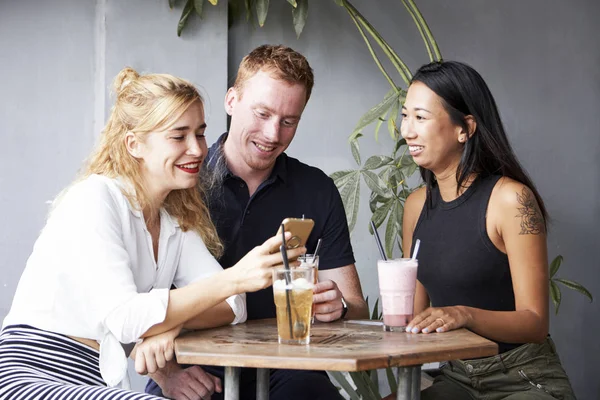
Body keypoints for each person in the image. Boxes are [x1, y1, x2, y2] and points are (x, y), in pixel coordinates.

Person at [0, 67, 305, 400]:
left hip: (92, 379)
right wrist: (235, 277)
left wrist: (168, 327)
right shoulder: (96, 198)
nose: (197, 149)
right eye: (179, 136)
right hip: (29, 374)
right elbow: (125, 320)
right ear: (135, 144)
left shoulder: (173, 221)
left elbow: (234, 306)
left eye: (200, 134)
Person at [145, 44, 369, 400]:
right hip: (195, 368)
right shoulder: (182, 180)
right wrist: (167, 375)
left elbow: (355, 306)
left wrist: (338, 307)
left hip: (291, 369)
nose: (273, 134)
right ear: (231, 100)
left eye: (288, 121)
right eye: (262, 113)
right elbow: (134, 305)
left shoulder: (317, 189)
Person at [396, 60, 575, 399]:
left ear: (465, 128)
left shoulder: (510, 200)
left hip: (522, 376)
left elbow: (535, 322)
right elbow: (416, 319)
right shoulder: (416, 206)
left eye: (420, 117)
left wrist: (463, 315)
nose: (407, 130)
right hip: (457, 376)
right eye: (405, 116)